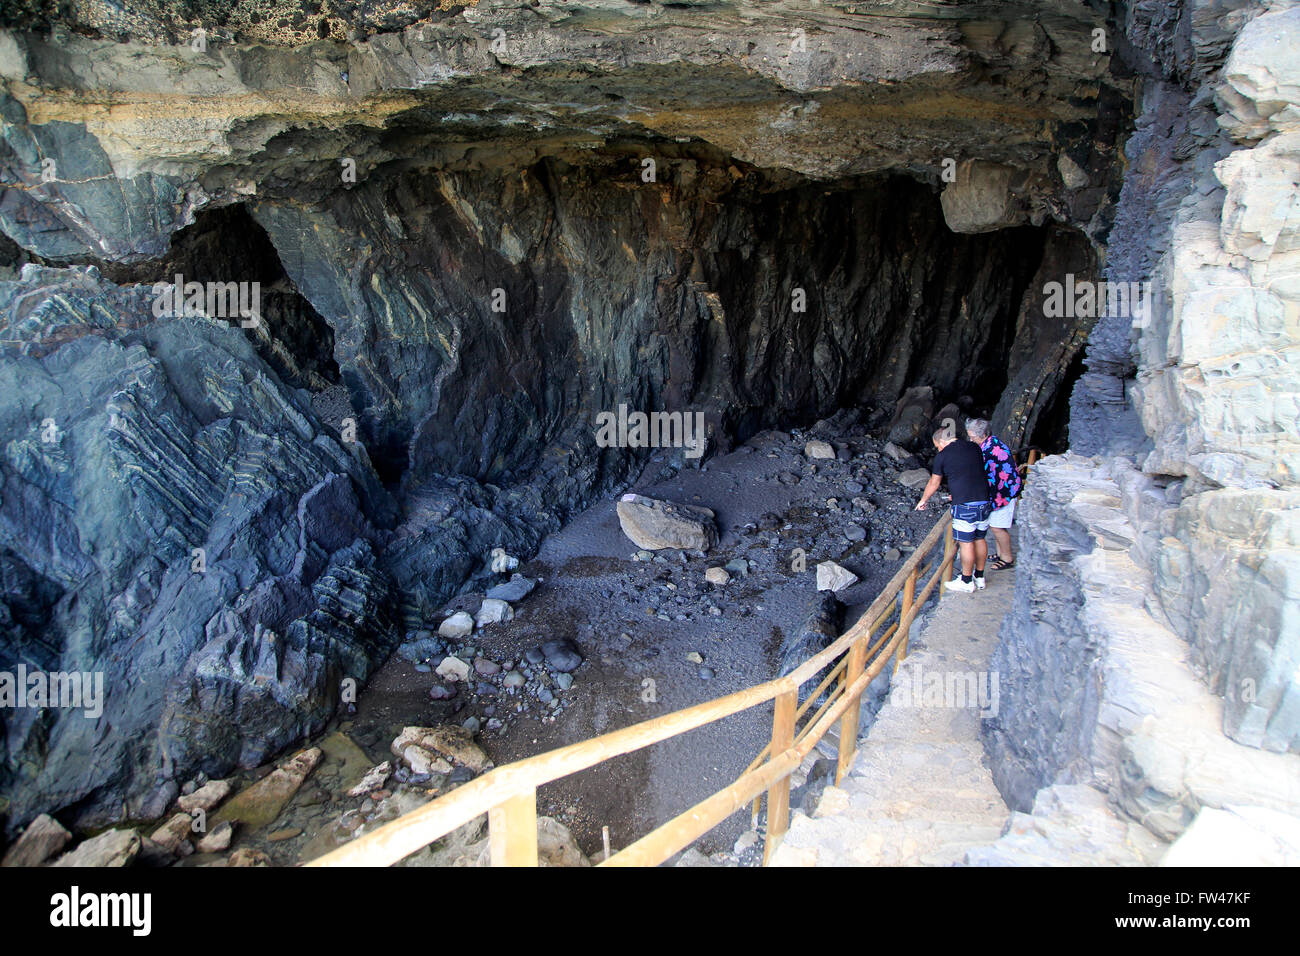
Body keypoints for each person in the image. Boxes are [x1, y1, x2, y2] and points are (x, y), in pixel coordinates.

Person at [914, 426, 991, 592]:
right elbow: (969, 472)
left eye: (937, 446)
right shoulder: (974, 447)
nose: (938, 449)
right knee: (980, 539)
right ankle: (980, 577)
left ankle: (966, 581)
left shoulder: (943, 456)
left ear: (942, 441)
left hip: (965, 505)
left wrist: (923, 500)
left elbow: (934, 483)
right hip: (984, 501)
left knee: (966, 543)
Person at [965, 418, 1021, 570]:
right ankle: (1000, 553)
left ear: (983, 435)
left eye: (972, 437)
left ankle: (1007, 558)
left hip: (1004, 493)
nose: (971, 439)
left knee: (997, 528)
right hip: (1004, 490)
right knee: (997, 525)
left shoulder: (989, 451)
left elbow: (985, 475)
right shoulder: (992, 442)